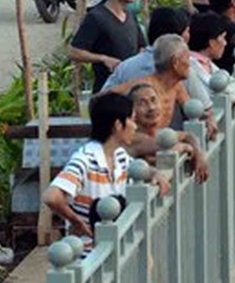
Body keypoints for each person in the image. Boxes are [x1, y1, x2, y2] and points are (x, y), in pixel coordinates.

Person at [42, 92, 168, 249]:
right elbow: (51, 197)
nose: (135, 127)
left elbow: (140, 169)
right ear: (118, 125)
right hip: (88, 255)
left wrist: (156, 174)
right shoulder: (85, 159)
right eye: (131, 120)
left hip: (116, 249)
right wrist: (77, 221)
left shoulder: (119, 155)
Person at [103, 6, 211, 106]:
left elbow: (100, 100)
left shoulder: (125, 67)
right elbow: (205, 107)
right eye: (187, 31)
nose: (189, 36)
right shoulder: (184, 68)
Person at [70, 0, 146, 92]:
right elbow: (74, 52)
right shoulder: (96, 18)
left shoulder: (130, 16)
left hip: (132, 91)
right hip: (107, 93)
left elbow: (141, 46)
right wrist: (103, 59)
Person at [127, 83, 209, 183]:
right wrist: (186, 147)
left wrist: (199, 155)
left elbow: (188, 135)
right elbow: (167, 148)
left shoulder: (160, 133)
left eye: (154, 100)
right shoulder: (133, 138)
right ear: (132, 111)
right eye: (143, 104)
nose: (151, 108)